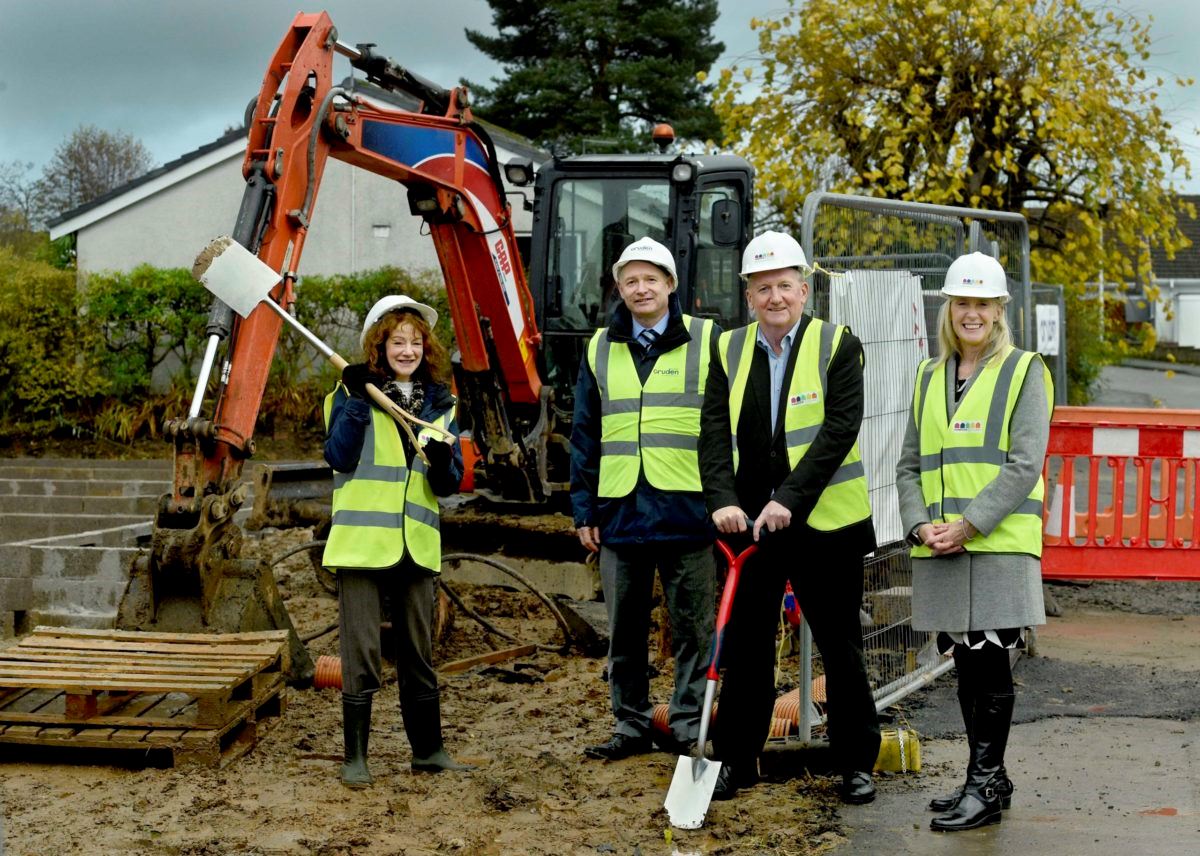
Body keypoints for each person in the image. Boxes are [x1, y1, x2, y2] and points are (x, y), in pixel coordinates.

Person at [698, 230, 881, 804]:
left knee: (840, 646)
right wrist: (722, 500)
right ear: (748, 295)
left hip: (825, 525)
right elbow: (710, 434)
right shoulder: (728, 349)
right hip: (749, 530)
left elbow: (838, 432)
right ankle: (734, 759)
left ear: (804, 290)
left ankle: (855, 762)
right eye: (762, 288)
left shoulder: (837, 346)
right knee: (747, 650)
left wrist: (790, 499)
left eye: (784, 286)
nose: (774, 297)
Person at [896, 252, 1051, 831]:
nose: (972, 313)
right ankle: (986, 776)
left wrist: (968, 524)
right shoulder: (928, 376)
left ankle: (983, 783)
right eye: (963, 301)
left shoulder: (1024, 371)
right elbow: (908, 464)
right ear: (948, 307)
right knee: (964, 663)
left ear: (999, 310)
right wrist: (919, 525)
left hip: (996, 542)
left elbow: (1024, 464)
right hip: (939, 545)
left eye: (983, 303)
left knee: (989, 664)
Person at [570, 236, 719, 760]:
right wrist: (583, 508)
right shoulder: (599, 347)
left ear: (671, 285)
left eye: (650, 279)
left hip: (689, 512)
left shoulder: (707, 340)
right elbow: (585, 433)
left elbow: (722, 429)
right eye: (630, 280)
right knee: (624, 633)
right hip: (621, 513)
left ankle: (685, 725)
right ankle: (630, 725)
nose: (640, 288)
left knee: (695, 632)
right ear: (619, 287)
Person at [322, 294, 475, 787]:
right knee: (361, 651)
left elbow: (449, 484)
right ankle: (356, 759)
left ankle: (428, 751)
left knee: (419, 650)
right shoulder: (347, 395)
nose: (406, 349)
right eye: (396, 340)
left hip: (416, 543)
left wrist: (442, 456)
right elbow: (340, 457)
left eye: (415, 341)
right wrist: (357, 405)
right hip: (361, 543)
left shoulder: (441, 404)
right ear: (378, 345)